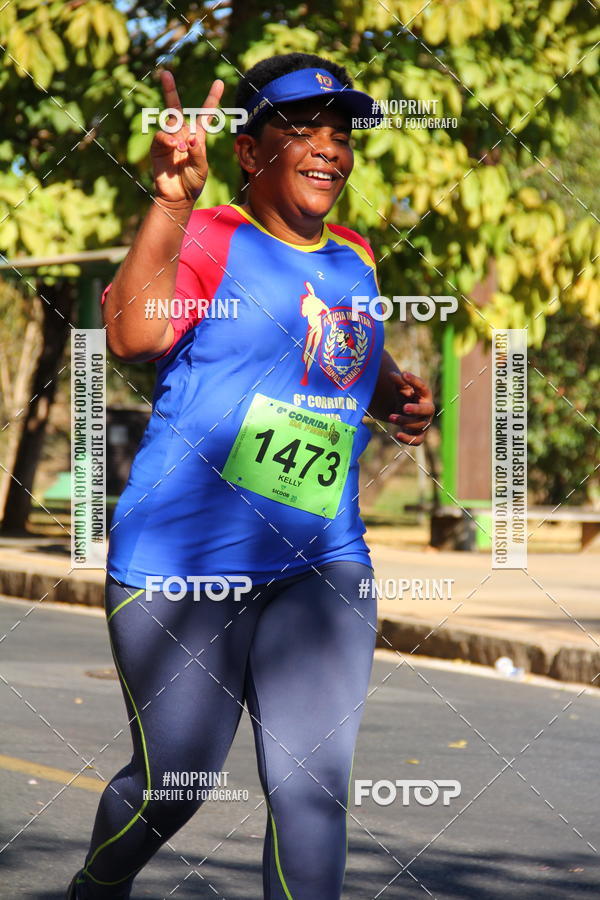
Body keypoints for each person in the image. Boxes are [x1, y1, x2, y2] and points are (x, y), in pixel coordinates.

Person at [67, 52, 434, 900]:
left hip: (321, 558)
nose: (329, 150)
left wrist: (394, 397)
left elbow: (339, 354)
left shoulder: (355, 255)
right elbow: (129, 336)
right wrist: (168, 200)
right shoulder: (208, 237)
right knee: (175, 786)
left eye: (341, 136)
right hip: (185, 558)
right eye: (302, 129)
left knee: (312, 794)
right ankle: (97, 886)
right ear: (249, 149)